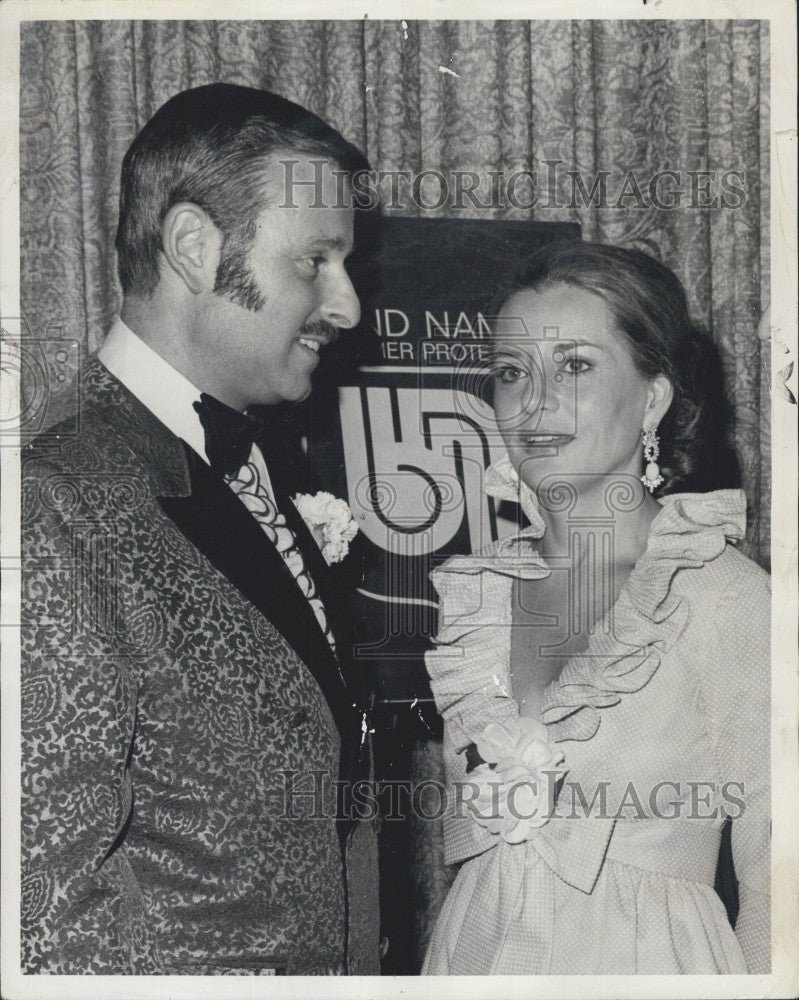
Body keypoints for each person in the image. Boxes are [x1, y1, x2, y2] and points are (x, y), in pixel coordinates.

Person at [21, 83, 379, 975]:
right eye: (315, 262)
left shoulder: (266, 462)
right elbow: (42, 917)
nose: (349, 306)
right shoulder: (52, 503)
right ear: (194, 247)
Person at [422, 241, 770, 974]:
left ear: (652, 397)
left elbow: (784, 871)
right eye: (511, 373)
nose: (534, 402)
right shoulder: (474, 601)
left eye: (574, 366)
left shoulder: (719, 596)